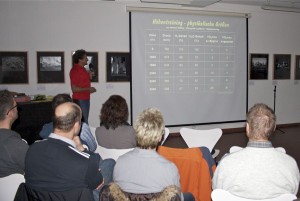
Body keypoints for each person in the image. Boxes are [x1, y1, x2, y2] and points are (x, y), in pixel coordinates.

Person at [212, 103, 300, 199]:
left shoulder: (226, 162)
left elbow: (216, 191)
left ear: (247, 128)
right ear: (274, 128)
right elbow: (293, 194)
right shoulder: (290, 163)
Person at [25, 102, 103, 200]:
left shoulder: (31, 150)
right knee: (108, 165)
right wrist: (82, 149)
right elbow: (98, 183)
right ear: (76, 125)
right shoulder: (85, 161)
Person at [113, 108, 194, 201]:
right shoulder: (169, 168)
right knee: (190, 196)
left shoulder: (120, 162)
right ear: (160, 137)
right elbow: (178, 198)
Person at [0, 90, 29, 177]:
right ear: (10, 113)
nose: (17, 109)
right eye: (16, 106)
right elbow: (38, 169)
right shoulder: (16, 145)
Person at [70, 49, 96, 124]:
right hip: (80, 100)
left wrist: (90, 76)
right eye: (85, 57)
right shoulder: (75, 70)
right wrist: (89, 89)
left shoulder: (83, 69)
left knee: (84, 121)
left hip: (85, 98)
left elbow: (82, 83)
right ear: (80, 59)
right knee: (82, 122)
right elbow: (74, 89)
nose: (87, 59)